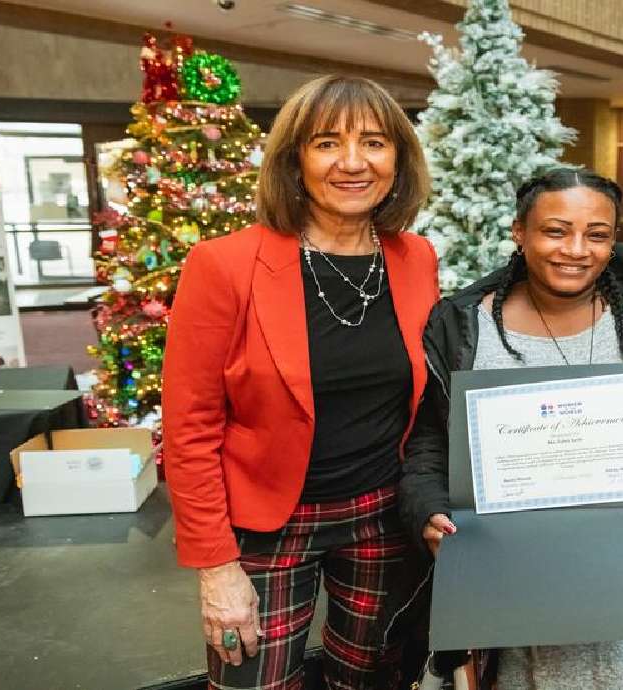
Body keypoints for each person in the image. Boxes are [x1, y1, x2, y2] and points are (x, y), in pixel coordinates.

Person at [400, 167, 623, 690]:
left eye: (597, 234)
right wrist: (428, 507)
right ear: (519, 232)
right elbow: (432, 436)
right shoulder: (462, 325)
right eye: (555, 231)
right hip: (509, 598)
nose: (576, 250)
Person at [162, 75, 438, 690]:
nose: (352, 162)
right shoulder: (223, 264)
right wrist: (216, 567)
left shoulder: (415, 257)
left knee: (370, 680)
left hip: (382, 517)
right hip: (265, 526)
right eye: (326, 143)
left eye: (373, 142)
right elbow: (189, 429)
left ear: (398, 159)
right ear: (295, 160)